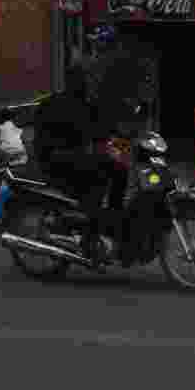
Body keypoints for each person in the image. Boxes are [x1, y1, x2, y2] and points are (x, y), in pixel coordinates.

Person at [32, 64, 128, 254]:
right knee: (98, 171)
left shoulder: (85, 104)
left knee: (120, 169)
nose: (87, 85)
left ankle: (113, 219)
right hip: (55, 158)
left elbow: (102, 128)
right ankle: (90, 234)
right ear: (75, 82)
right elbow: (90, 129)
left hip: (76, 156)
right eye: (84, 80)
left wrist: (123, 136)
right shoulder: (55, 104)